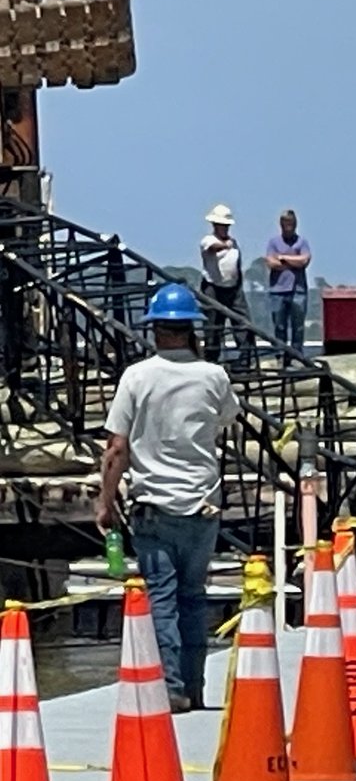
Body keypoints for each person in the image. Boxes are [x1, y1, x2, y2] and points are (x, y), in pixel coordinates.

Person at [97, 283, 241, 713]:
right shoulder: (213, 376)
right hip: (202, 505)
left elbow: (116, 449)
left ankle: (172, 688)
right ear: (191, 329)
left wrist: (105, 502)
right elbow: (229, 417)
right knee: (193, 596)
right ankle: (194, 687)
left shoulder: (137, 377)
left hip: (154, 505)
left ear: (155, 329)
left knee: (161, 597)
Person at [199, 203, 252, 369]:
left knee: (242, 321)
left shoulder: (234, 243)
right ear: (215, 225)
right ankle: (211, 359)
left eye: (226, 226)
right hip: (213, 288)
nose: (225, 228)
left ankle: (245, 358)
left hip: (233, 288)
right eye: (222, 225)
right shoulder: (208, 240)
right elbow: (211, 249)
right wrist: (224, 245)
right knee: (213, 325)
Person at [265, 209, 312, 363]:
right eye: (285, 224)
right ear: (281, 225)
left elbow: (304, 261)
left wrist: (283, 258)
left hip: (298, 290)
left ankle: (297, 356)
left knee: (298, 327)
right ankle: (280, 356)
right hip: (278, 290)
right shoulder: (273, 242)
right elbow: (271, 262)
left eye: (291, 223)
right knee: (279, 326)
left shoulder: (302, 242)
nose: (288, 227)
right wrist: (294, 262)